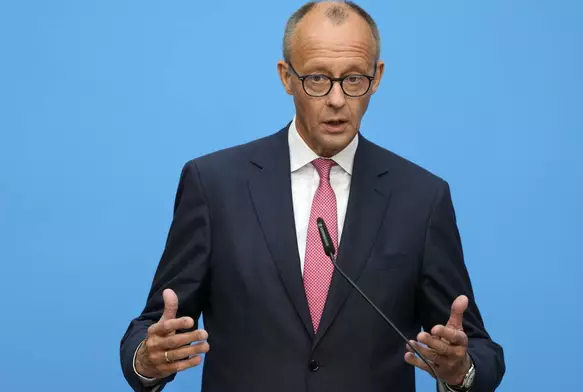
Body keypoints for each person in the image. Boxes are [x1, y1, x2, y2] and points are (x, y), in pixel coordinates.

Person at [119, 1, 505, 391]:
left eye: (354, 79)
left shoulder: (422, 198)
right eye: (318, 79)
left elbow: (477, 349)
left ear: (377, 77)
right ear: (286, 76)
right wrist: (148, 359)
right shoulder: (214, 184)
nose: (337, 99)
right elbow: (150, 328)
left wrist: (461, 370)